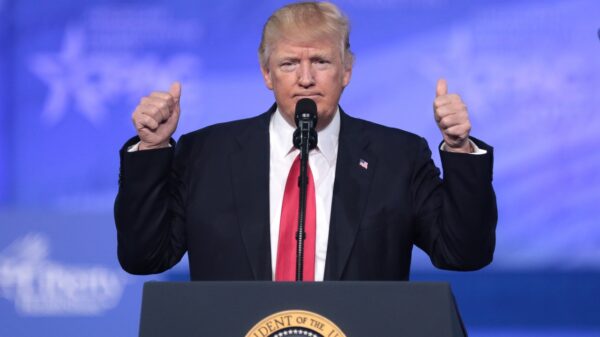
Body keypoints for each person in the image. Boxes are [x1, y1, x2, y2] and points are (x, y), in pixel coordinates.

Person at [114, 1, 497, 281]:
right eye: (288, 64)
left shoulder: (398, 157)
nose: (306, 78)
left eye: (321, 61)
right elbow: (145, 257)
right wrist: (151, 149)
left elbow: (463, 254)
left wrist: (460, 150)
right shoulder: (205, 155)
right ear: (267, 74)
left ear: (347, 70)